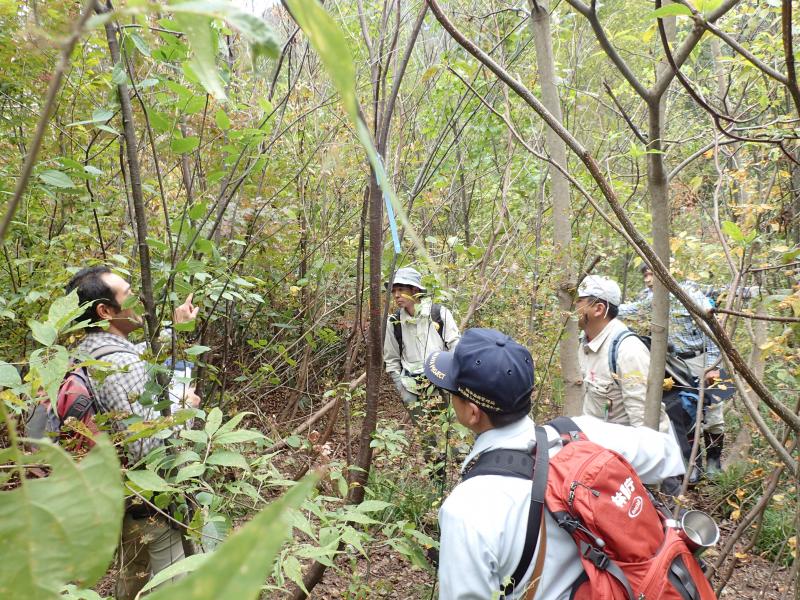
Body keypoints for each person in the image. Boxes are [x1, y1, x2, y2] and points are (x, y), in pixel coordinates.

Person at [424, 328, 685, 599]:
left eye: (453, 392)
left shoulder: (467, 509)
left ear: (472, 412)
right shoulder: (580, 433)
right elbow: (667, 454)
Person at [65, 265, 201, 600]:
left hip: (117, 497)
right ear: (105, 311)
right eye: (128, 294)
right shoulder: (118, 366)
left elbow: (141, 359)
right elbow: (151, 446)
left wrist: (176, 330)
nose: (139, 300)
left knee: (131, 579)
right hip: (151, 504)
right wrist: (186, 405)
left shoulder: (88, 351)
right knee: (178, 587)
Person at [619, 265, 725, 477]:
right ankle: (692, 463)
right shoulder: (649, 298)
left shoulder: (690, 294)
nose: (649, 280)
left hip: (705, 358)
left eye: (652, 274)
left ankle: (714, 461)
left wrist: (714, 366)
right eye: (646, 275)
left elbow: (714, 327)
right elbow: (628, 310)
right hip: (675, 363)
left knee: (714, 411)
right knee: (685, 410)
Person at [575, 275, 672, 433]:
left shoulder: (628, 351)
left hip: (619, 453)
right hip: (590, 449)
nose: (571, 307)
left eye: (578, 301)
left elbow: (645, 425)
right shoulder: (584, 343)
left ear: (598, 309)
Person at [382, 266, 460, 418]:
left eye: (401, 289)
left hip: (442, 382)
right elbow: (391, 359)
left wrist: (452, 380)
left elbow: (455, 347)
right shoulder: (394, 322)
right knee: (424, 435)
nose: (396, 295)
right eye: (393, 291)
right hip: (410, 386)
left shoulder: (439, 314)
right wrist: (402, 389)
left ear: (415, 289)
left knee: (450, 429)